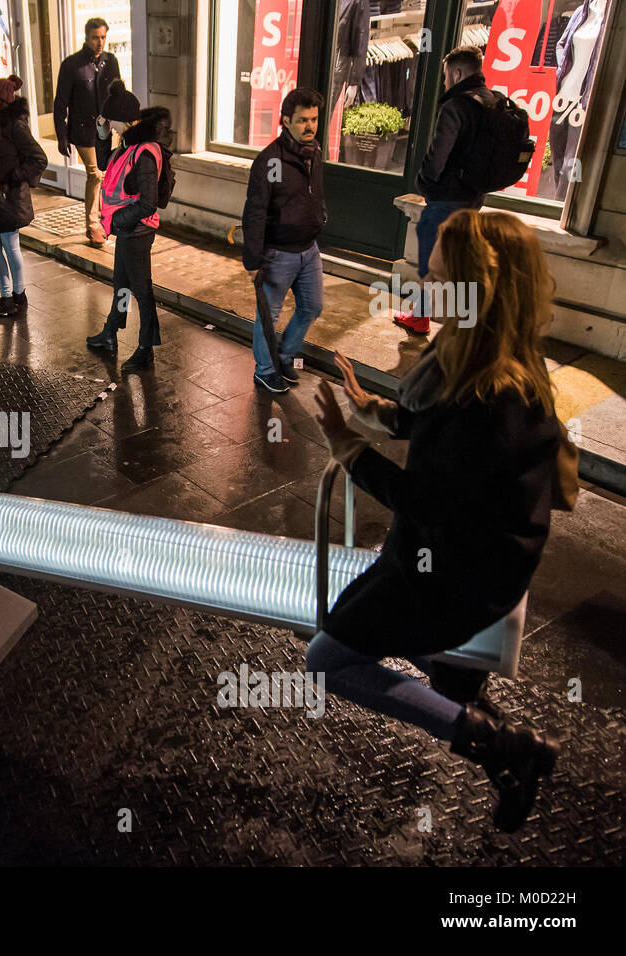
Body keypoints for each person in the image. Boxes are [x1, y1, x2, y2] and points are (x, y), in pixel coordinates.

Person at [309, 209, 569, 834]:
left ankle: (495, 744)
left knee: (327, 659)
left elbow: (425, 498)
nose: (421, 288)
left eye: (435, 277)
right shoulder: (479, 357)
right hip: (454, 554)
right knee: (450, 681)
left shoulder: (497, 397)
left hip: (459, 573)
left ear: (474, 292)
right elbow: (441, 438)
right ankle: (506, 746)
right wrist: (377, 412)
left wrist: (348, 448)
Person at [240, 87, 326, 394]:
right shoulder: (270, 160)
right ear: (286, 121)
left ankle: (284, 356)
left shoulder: (313, 152)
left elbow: (313, 193)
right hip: (278, 253)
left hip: (309, 250)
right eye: (303, 120)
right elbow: (255, 212)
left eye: (314, 119)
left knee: (313, 306)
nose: (310, 126)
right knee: (269, 315)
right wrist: (252, 260)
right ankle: (265, 370)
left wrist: (320, 215)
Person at [405, 45, 491, 335]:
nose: (444, 83)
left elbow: (437, 156)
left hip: (446, 198)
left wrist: (426, 184)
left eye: (445, 76)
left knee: (432, 261)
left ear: (456, 73)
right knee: (462, 263)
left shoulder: (456, 106)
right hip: (473, 198)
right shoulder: (491, 102)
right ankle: (465, 325)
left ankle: (421, 318)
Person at [85, 104, 172, 373]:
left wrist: (114, 221)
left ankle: (146, 349)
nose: (114, 125)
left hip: (137, 231)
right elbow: (103, 164)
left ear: (130, 122)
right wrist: (102, 135)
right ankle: (111, 331)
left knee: (142, 290)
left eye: (115, 121)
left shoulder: (144, 153)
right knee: (122, 284)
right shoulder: (127, 146)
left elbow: (148, 204)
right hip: (126, 230)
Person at [0, 75, 46, 320]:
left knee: (10, 245)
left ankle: (18, 295)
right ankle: (7, 298)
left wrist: (12, 177)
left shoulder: (15, 125)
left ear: (4, 100)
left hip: (9, 196)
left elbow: (39, 159)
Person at [53, 17, 119, 247]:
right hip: (82, 130)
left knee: (108, 175)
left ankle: (106, 218)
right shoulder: (72, 65)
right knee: (96, 174)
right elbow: (60, 102)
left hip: (107, 129)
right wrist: (61, 135)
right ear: (86, 37)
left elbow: (118, 93)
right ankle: (93, 225)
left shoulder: (110, 61)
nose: (100, 42)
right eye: (95, 37)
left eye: (103, 37)